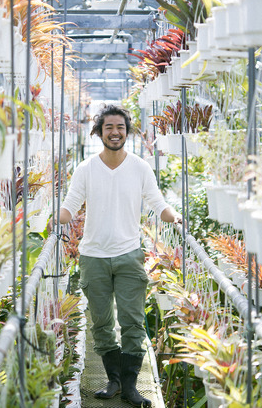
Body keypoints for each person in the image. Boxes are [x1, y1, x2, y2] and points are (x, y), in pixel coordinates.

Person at [51, 105, 182, 407]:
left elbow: (157, 202)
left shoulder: (139, 167)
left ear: (127, 131)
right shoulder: (86, 169)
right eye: (109, 127)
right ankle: (113, 380)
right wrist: (54, 217)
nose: (115, 132)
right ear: (99, 132)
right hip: (93, 256)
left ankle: (131, 386)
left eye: (120, 127)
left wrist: (173, 216)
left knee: (133, 320)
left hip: (128, 255)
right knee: (101, 322)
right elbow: (70, 205)